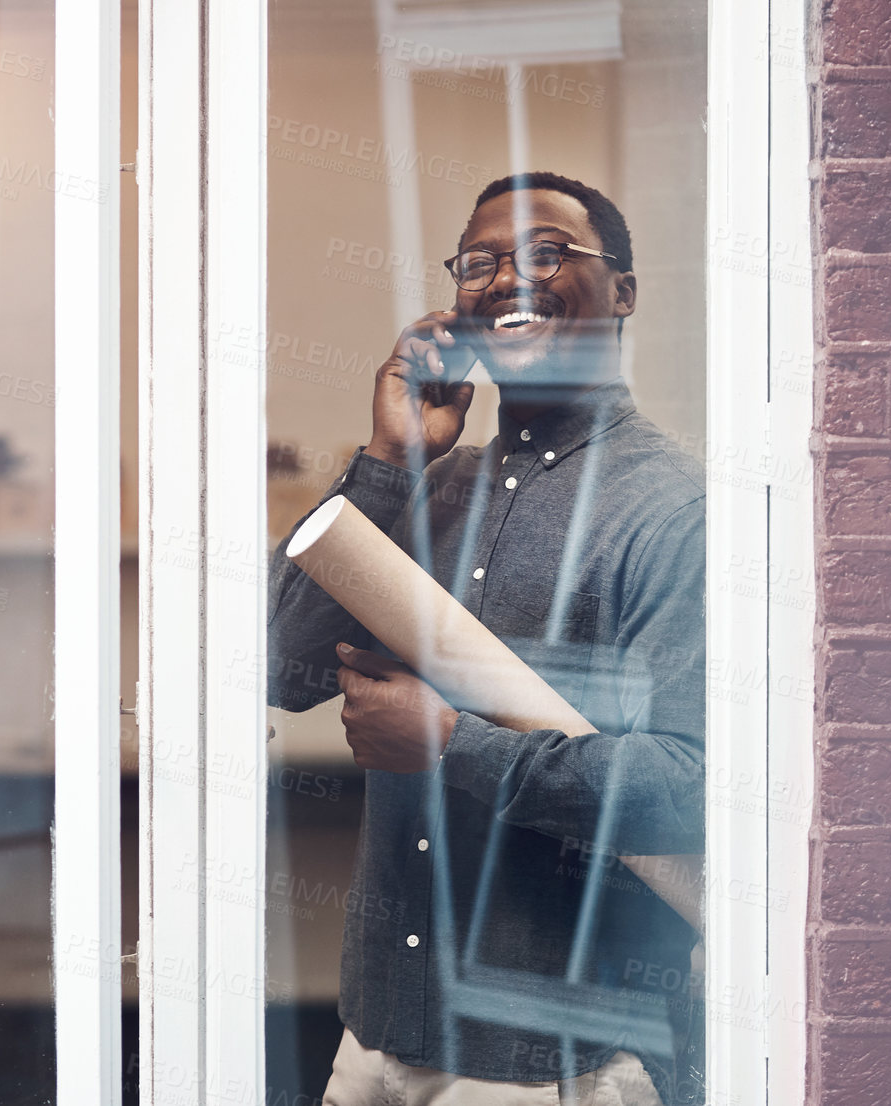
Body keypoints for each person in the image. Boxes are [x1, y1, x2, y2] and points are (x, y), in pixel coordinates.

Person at [267, 171, 706, 1106]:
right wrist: (389, 462)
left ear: (621, 293)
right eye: (479, 263)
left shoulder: (674, 511)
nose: (508, 279)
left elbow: (689, 789)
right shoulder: (428, 485)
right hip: (377, 1035)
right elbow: (284, 668)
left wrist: (451, 745)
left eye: (549, 252)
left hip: (550, 1064)